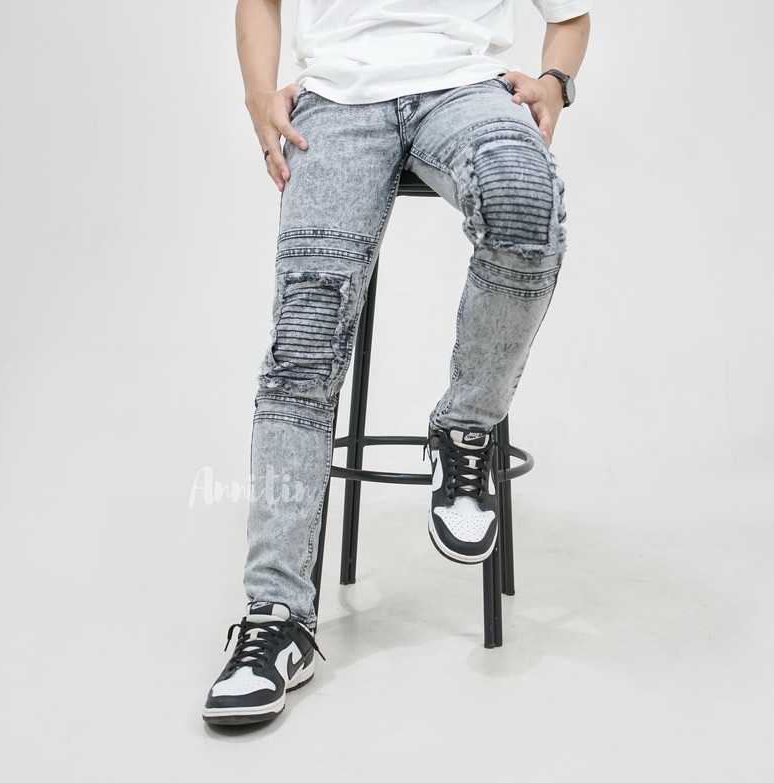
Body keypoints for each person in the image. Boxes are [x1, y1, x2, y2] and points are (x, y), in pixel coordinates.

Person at [202, 0, 592, 726]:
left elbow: (569, 15)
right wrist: (258, 95)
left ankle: (465, 429)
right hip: (337, 101)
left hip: (468, 91)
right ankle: (276, 615)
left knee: (524, 200)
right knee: (305, 341)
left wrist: (555, 82)